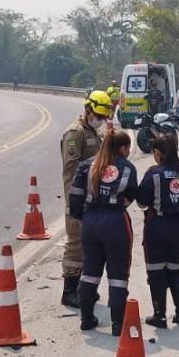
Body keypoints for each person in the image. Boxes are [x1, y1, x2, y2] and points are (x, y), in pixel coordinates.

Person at [68, 131, 139, 335]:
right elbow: (133, 194)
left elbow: (75, 196)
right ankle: (117, 324)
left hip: (90, 222)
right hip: (116, 222)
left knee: (89, 272)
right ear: (123, 148)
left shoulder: (87, 165)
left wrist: (82, 217)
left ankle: (86, 318)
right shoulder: (127, 167)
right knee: (118, 275)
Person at [135, 132, 179, 328]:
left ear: (157, 153)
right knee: (174, 268)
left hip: (157, 225)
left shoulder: (153, 174)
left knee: (156, 270)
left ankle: (159, 315)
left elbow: (141, 201)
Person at [58, 91, 112, 307]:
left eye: (103, 116)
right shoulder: (75, 133)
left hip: (93, 199)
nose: (99, 119)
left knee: (88, 245)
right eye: (97, 114)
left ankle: (83, 287)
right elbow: (70, 171)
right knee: (75, 245)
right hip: (78, 199)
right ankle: (69, 291)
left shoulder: (95, 133)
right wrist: (75, 203)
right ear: (88, 110)